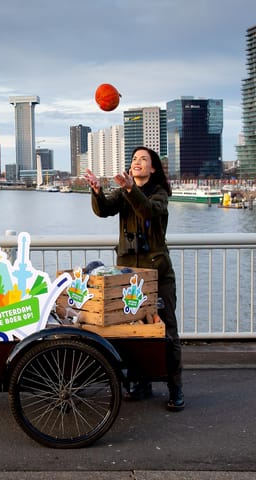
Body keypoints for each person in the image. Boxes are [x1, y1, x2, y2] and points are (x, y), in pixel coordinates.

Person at [82, 146, 185, 412]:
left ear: (153, 169)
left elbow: (149, 211)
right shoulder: (124, 192)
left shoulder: (160, 194)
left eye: (144, 160)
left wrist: (130, 190)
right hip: (128, 276)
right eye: (134, 159)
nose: (137, 162)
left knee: (167, 332)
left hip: (158, 274)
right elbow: (104, 210)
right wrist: (96, 190)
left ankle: (175, 387)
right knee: (133, 331)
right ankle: (142, 384)